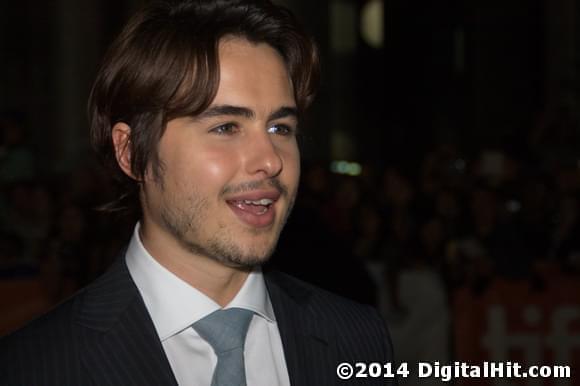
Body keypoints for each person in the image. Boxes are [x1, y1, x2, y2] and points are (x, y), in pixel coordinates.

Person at [0, 1, 395, 385]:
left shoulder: (357, 339)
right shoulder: (32, 367)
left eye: (280, 129)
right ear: (132, 152)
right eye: (226, 127)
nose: (271, 160)